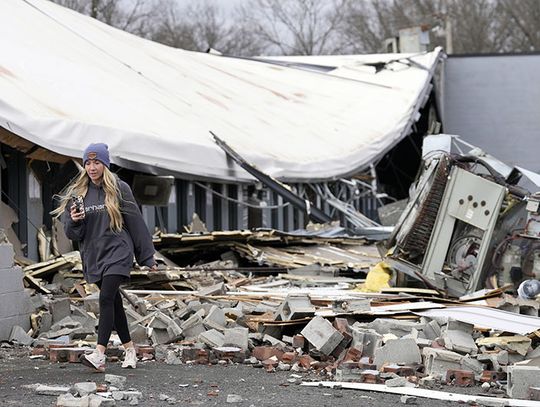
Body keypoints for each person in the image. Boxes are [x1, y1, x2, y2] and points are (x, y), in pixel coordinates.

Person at [52, 143, 156, 372]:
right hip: (94, 255)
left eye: (96, 162)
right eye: (88, 163)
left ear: (105, 164)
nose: (91, 167)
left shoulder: (119, 189)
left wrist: (147, 257)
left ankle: (99, 353)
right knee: (114, 302)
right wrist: (75, 220)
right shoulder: (78, 194)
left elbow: (136, 222)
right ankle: (130, 349)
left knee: (106, 297)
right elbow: (72, 234)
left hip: (118, 250)